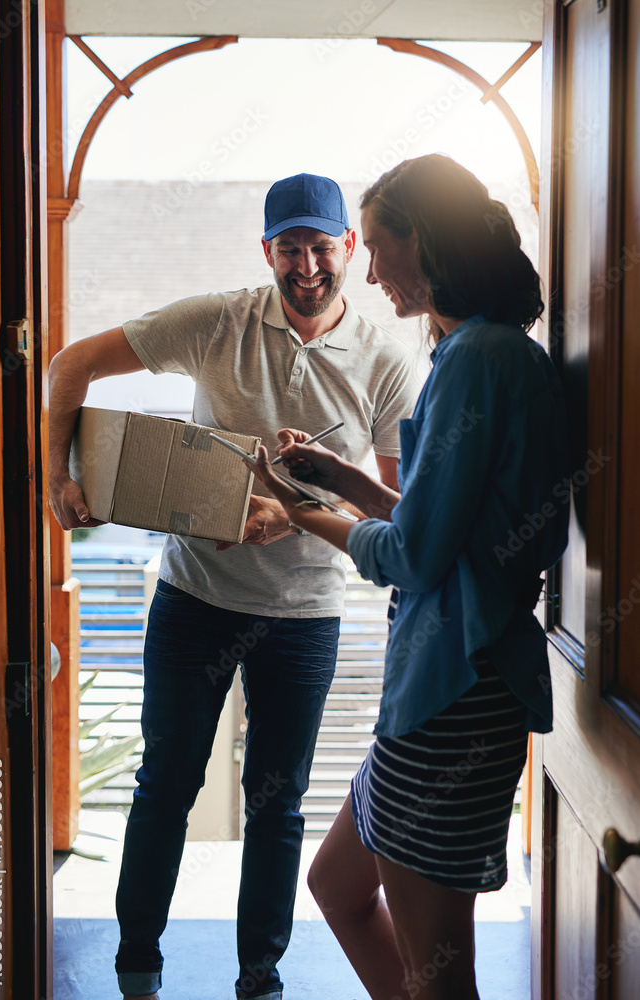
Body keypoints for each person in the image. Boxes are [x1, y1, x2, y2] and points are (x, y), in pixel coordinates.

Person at [48, 172, 419, 1000]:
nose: (307, 265)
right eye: (290, 248)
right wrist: (55, 478)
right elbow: (71, 365)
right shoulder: (218, 319)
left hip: (306, 612)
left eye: (322, 246)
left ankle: (261, 976)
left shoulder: (388, 360)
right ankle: (134, 967)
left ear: (349, 249)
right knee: (163, 786)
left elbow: (397, 513)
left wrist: (290, 512)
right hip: (194, 597)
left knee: (277, 804)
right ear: (267, 252)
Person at [246, 155, 570, 1000]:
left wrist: (296, 511)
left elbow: (417, 556)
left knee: (440, 975)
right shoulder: (496, 353)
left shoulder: (472, 360)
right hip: (440, 689)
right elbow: (441, 522)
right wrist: (339, 478)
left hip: (453, 695)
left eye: (380, 245)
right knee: (336, 888)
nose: (373, 269)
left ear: (423, 239)